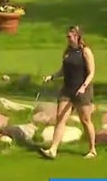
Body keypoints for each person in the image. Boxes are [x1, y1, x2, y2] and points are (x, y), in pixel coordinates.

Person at [39, 26, 98, 159]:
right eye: (67, 36)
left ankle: (92, 149)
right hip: (67, 89)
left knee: (85, 120)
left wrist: (83, 86)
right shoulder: (67, 51)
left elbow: (91, 72)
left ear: (77, 37)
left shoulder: (85, 51)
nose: (68, 39)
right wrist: (52, 76)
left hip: (83, 90)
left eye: (70, 36)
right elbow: (63, 70)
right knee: (60, 118)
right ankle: (53, 150)